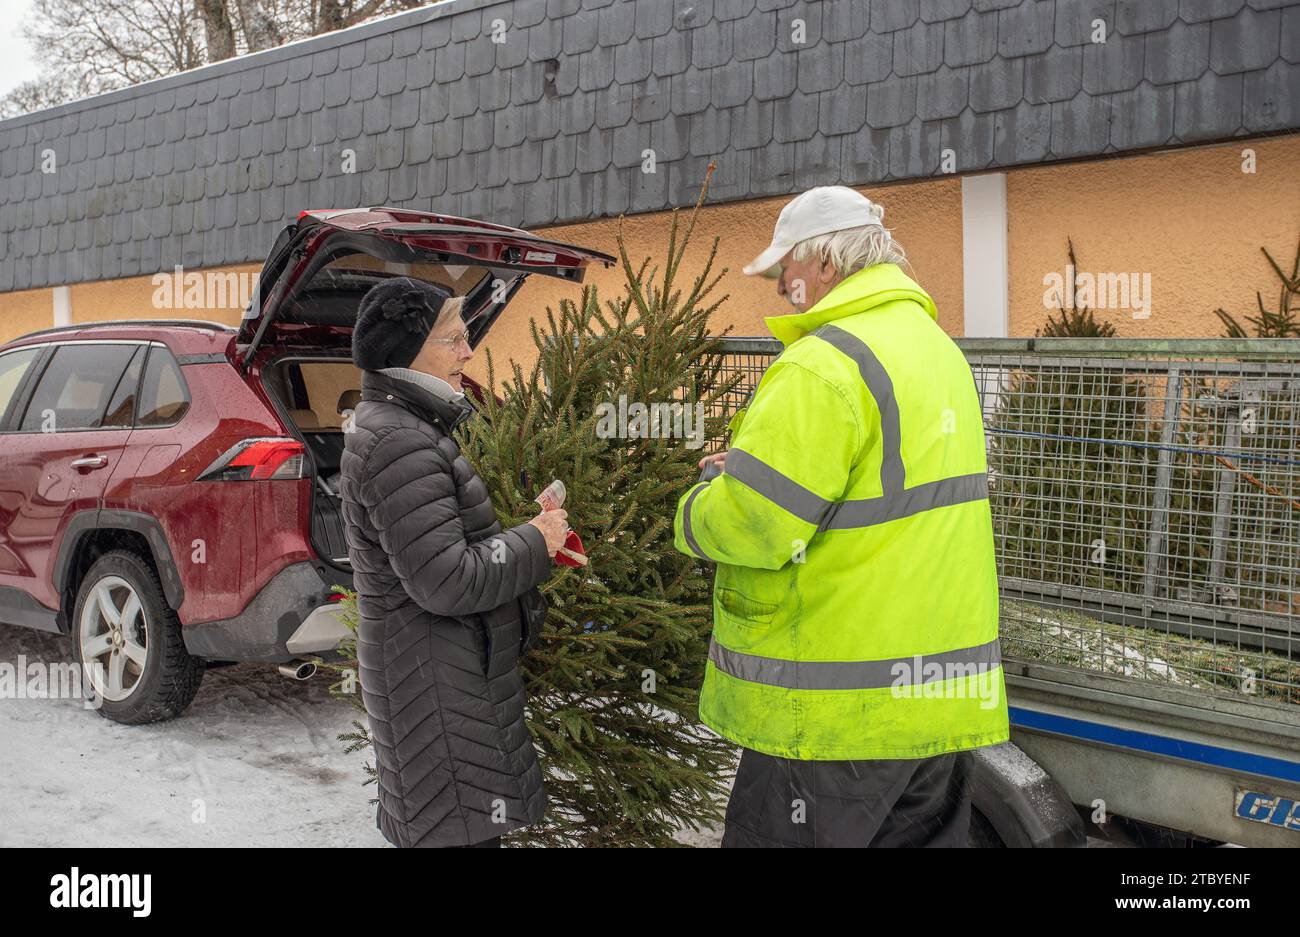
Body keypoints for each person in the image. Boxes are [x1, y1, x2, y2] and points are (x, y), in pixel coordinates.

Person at [673, 186, 1009, 847]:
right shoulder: (940, 353)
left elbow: (756, 523)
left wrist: (696, 506)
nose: (780, 286)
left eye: (784, 269)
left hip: (834, 722)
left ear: (824, 262)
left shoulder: (824, 364)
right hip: (934, 710)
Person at [339, 277, 569, 848]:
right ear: (407, 353)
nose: (469, 351)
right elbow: (446, 580)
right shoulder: (400, 442)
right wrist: (536, 540)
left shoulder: (407, 426)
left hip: (440, 676)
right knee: (459, 834)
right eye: (454, 338)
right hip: (435, 686)